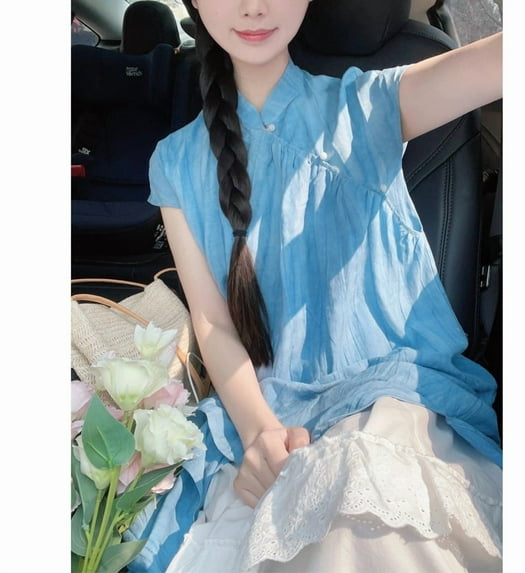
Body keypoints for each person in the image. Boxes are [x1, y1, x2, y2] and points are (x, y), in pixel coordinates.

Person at [125, 1, 503, 571]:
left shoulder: (372, 103)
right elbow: (214, 323)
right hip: (267, 420)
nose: (254, 7)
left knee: (362, 520)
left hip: (390, 400)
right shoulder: (175, 162)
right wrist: (260, 433)